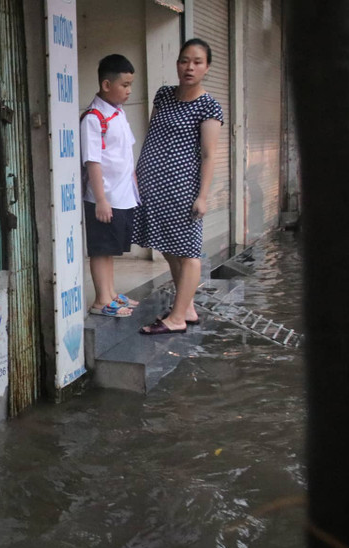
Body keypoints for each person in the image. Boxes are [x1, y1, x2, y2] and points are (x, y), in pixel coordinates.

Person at [132, 38, 223, 334]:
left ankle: (177, 318)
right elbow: (153, 134)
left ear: (207, 67)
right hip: (153, 185)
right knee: (169, 247)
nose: (189, 67)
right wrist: (138, 171)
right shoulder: (164, 94)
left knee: (189, 252)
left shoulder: (209, 106)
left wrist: (203, 196)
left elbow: (209, 154)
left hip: (183, 188)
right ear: (177, 64)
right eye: (185, 60)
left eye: (197, 62)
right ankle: (188, 307)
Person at [81, 54, 141, 318]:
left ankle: (111, 293)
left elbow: (125, 155)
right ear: (107, 85)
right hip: (104, 198)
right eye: (125, 85)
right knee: (101, 249)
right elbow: (93, 161)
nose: (129, 91)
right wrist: (101, 200)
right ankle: (101, 301)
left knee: (111, 250)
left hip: (122, 195)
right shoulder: (94, 118)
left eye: (130, 85)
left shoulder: (118, 113)